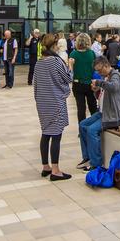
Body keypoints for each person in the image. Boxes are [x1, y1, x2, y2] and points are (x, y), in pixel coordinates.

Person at [33, 33, 72, 182]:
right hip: (55, 102)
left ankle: (46, 166)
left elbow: (36, 84)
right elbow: (68, 78)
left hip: (43, 102)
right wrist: (70, 65)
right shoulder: (56, 61)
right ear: (54, 46)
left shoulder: (39, 62)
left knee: (45, 134)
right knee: (56, 135)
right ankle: (55, 170)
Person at [79, 56, 120, 171]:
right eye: (97, 71)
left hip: (113, 116)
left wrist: (99, 83)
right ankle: (87, 157)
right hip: (103, 112)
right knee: (82, 125)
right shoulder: (105, 77)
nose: (99, 73)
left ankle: (96, 163)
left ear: (106, 65)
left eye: (100, 70)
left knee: (91, 130)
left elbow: (114, 87)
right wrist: (96, 91)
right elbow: (102, 96)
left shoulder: (115, 75)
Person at [69, 33, 98, 127]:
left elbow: (70, 70)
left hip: (78, 84)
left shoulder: (73, 54)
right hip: (90, 84)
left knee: (81, 108)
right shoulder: (92, 53)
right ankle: (94, 126)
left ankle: (82, 128)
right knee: (93, 106)